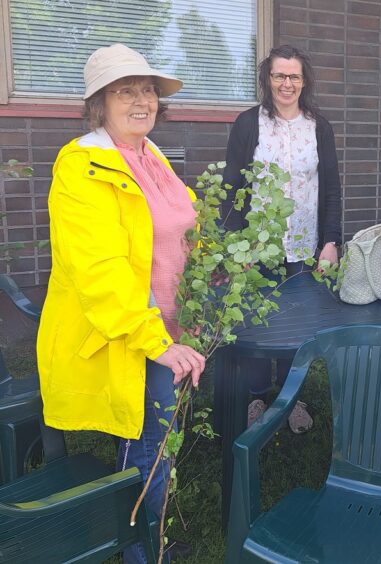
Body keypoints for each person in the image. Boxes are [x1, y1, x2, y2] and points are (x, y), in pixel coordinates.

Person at [37, 44, 205, 563]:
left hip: (170, 323)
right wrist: (153, 339)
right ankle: (144, 549)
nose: (141, 100)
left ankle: (153, 527)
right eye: (124, 91)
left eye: (148, 89)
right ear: (99, 105)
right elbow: (100, 269)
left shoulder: (149, 155)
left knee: (162, 434)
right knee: (149, 444)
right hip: (129, 331)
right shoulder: (82, 167)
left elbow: (183, 224)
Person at [222, 45, 342, 432]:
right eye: (279, 76)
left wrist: (331, 240)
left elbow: (332, 189)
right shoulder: (248, 124)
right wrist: (236, 246)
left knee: (299, 322)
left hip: (305, 246)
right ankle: (258, 395)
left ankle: (293, 397)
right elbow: (231, 188)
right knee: (258, 322)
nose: (286, 83)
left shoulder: (318, 127)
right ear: (267, 79)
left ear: (303, 82)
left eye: (293, 76)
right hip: (257, 247)